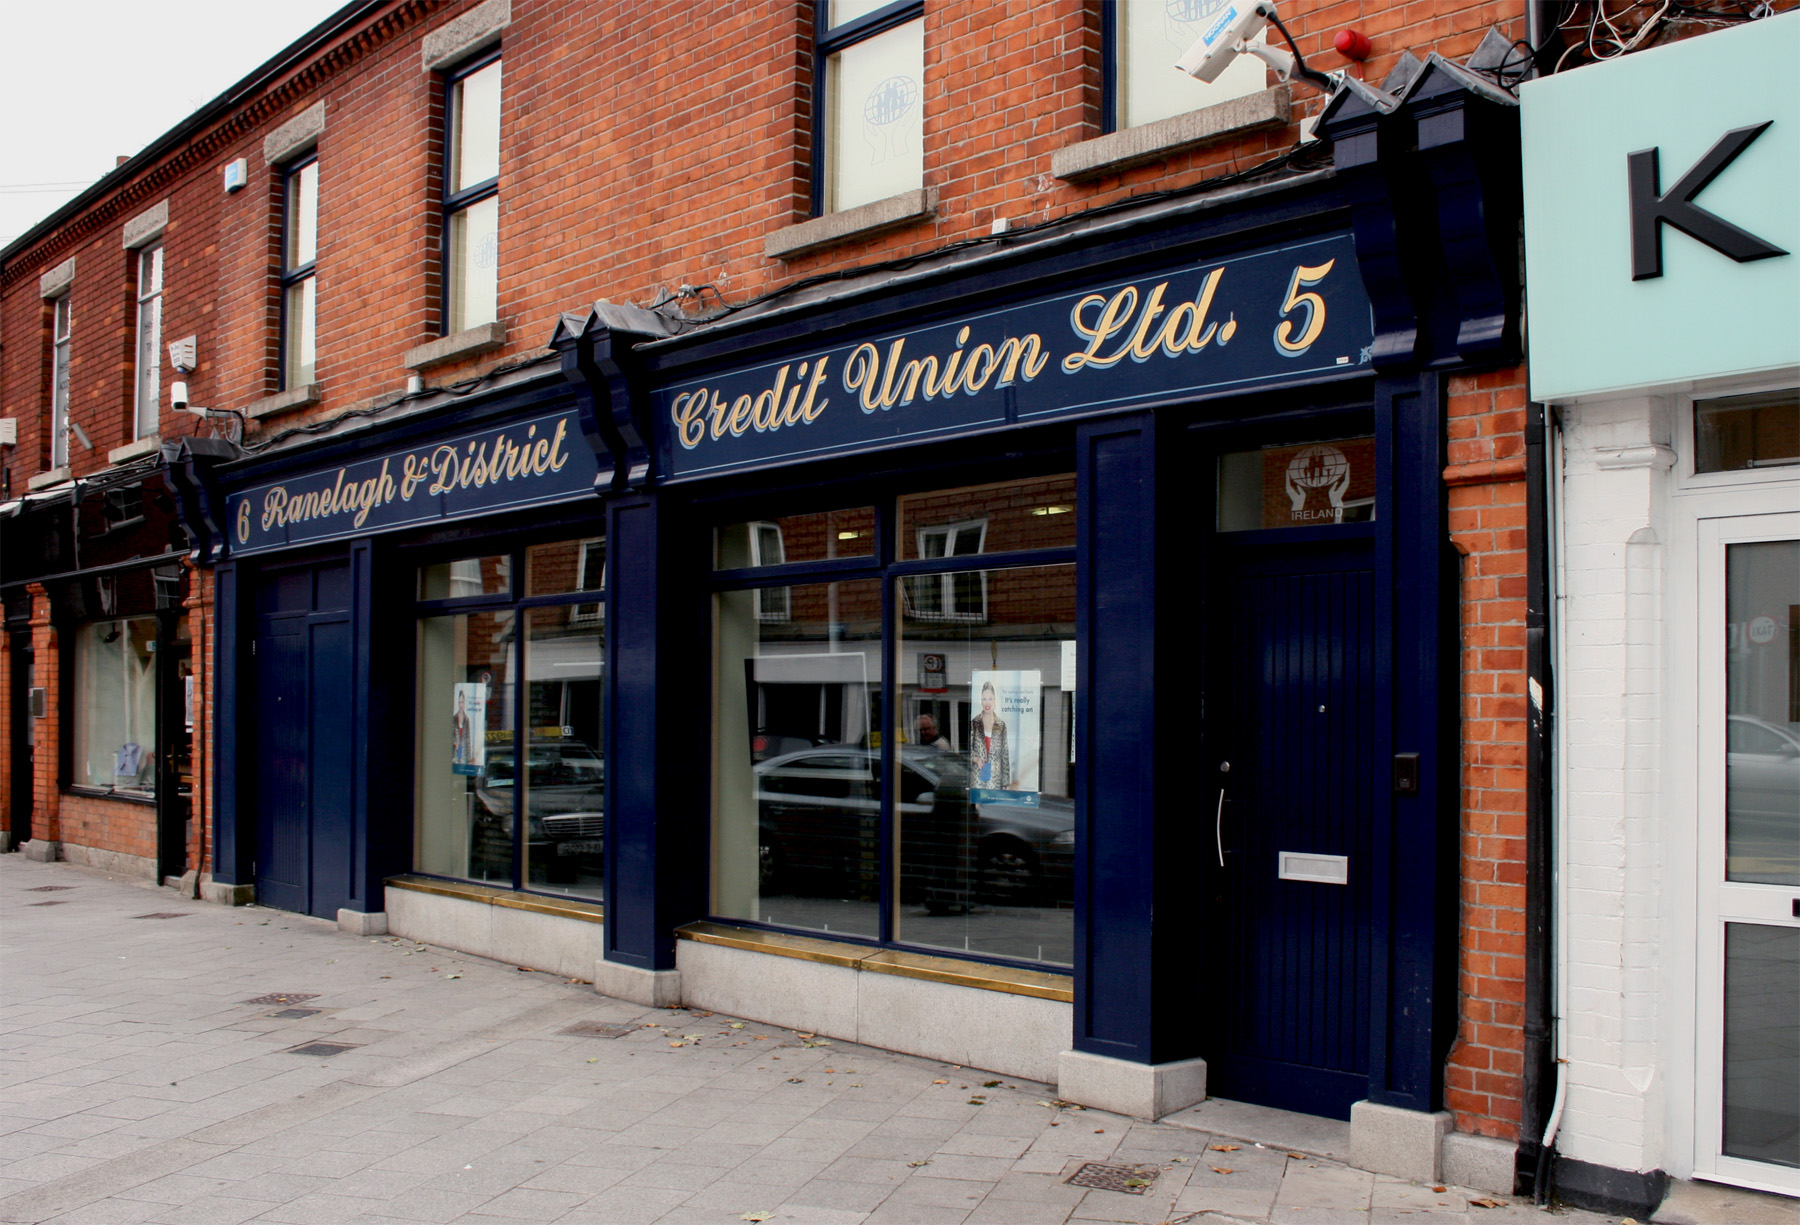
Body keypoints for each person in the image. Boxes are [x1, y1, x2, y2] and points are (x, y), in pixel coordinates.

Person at [969, 680, 1010, 789]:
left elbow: (1005, 754)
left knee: (993, 800)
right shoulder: (974, 723)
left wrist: (1005, 782)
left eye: (990, 699)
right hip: (978, 776)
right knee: (980, 800)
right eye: (984, 699)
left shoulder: (1001, 725)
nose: (987, 703)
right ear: (981, 701)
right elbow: (967, 750)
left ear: (995, 701)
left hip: (995, 778)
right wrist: (976, 759)